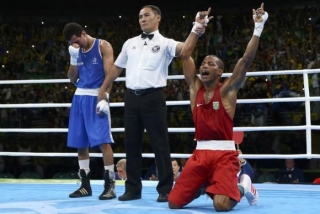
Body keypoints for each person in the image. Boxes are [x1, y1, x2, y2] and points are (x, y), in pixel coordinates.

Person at [168, 4, 268, 211]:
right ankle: (206, 184)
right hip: (200, 153)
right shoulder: (195, 88)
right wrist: (197, 27)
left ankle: (244, 185)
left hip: (224, 155)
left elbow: (246, 59)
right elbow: (185, 56)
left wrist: (258, 27)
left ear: (221, 72)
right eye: (204, 63)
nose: (204, 66)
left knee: (221, 206)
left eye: (211, 64)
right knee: (173, 203)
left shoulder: (228, 90)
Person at [97, 5, 184, 202]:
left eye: (146, 15)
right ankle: (133, 189)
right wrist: (103, 88)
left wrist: (197, 29)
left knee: (160, 144)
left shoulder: (165, 43)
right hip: (131, 98)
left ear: (158, 18)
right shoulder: (130, 43)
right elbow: (117, 68)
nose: (142, 19)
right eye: (140, 16)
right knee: (132, 144)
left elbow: (184, 48)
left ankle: (165, 189)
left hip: (154, 97)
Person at [62, 22, 116, 200]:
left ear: (84, 33)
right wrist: (73, 58)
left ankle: (110, 186)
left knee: (103, 141)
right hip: (79, 97)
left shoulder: (103, 46)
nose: (77, 45)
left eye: (78, 41)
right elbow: (72, 78)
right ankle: (85, 186)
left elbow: (110, 75)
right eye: (73, 43)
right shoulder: (76, 50)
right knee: (81, 143)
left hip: (96, 96)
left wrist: (105, 97)